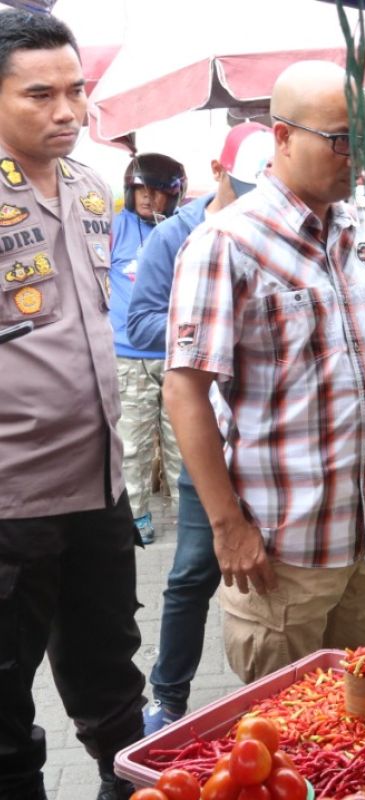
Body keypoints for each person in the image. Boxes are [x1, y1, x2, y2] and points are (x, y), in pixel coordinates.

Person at [163, 61, 365, 683]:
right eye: (342, 140)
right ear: (282, 137)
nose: (357, 157)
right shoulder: (226, 243)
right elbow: (185, 392)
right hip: (283, 557)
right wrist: (227, 528)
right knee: (282, 747)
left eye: (364, 140)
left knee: (364, 733)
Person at [0, 11, 145, 800]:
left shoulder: (94, 189)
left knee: (114, 690)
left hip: (98, 491)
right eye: (39, 94)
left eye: (77, 91)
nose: (66, 111)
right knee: (4, 718)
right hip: (10, 505)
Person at [126, 122, 273, 733]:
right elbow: (139, 327)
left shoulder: (280, 227)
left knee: (279, 574)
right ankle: (168, 698)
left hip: (273, 438)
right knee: (192, 570)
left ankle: (280, 700)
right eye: (241, 187)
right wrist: (211, 327)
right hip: (207, 434)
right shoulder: (175, 236)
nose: (253, 201)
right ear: (217, 171)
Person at [109, 152, 187, 545]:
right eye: (139, 190)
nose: (146, 199)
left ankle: (188, 515)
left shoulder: (185, 230)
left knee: (184, 443)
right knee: (132, 444)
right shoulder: (115, 229)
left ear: (172, 195)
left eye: (156, 191)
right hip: (128, 355)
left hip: (179, 356)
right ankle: (135, 515)